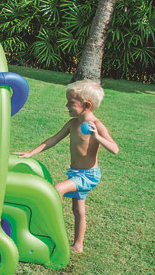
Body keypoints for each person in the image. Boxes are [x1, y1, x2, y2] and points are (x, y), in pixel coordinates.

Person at [16, 80, 119, 253]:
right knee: (78, 210)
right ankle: (78, 245)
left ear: (87, 105)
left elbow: (115, 149)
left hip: (89, 175)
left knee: (57, 189)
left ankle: (47, 227)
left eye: (71, 102)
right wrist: (31, 153)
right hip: (75, 173)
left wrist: (97, 136)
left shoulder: (97, 126)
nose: (66, 106)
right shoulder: (72, 124)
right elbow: (53, 140)